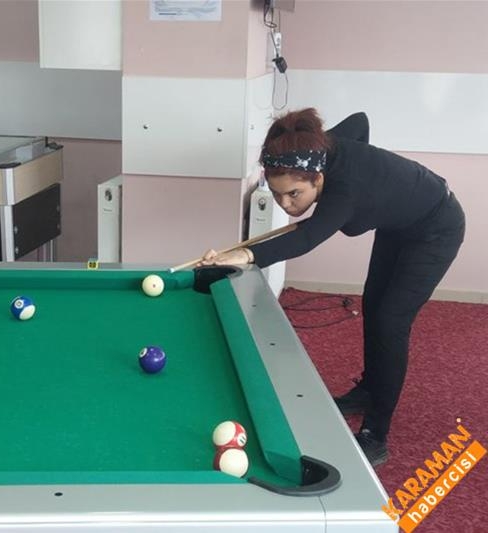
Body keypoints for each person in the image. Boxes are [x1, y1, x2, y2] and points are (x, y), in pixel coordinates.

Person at [200, 108, 466, 466]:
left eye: (294, 193)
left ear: (318, 176)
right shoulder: (322, 147)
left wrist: (245, 254)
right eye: (277, 194)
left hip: (436, 227)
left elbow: (306, 238)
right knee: (373, 305)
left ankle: (376, 433)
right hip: (398, 225)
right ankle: (369, 388)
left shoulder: (343, 192)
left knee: (390, 321)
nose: (286, 204)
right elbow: (360, 120)